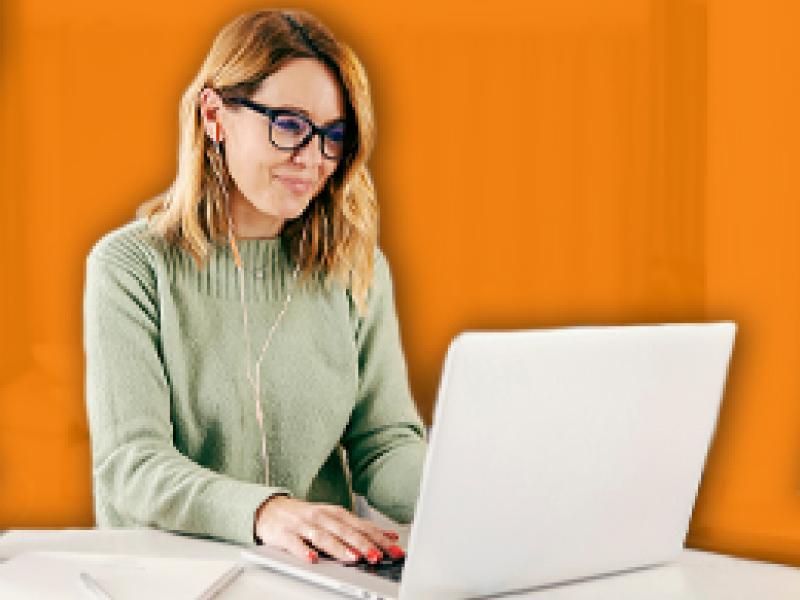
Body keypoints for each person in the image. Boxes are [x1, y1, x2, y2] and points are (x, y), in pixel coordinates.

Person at [82, 9, 426, 566]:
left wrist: (469, 491)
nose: (314, 158)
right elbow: (133, 465)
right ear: (215, 115)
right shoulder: (130, 267)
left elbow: (383, 443)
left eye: (333, 136)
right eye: (289, 125)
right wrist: (267, 511)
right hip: (172, 575)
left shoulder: (353, 267)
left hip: (318, 575)